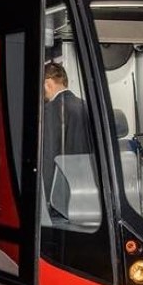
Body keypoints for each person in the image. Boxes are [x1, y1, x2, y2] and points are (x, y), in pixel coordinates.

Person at [41, 61, 91, 206]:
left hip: (61, 193)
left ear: (48, 83)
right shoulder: (85, 106)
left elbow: (49, 155)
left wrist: (47, 199)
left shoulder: (50, 110)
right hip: (86, 190)